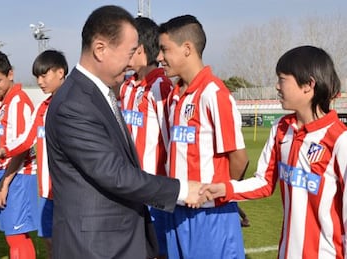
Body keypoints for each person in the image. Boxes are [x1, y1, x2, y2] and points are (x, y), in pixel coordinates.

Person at [45, 5, 207, 259]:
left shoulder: (96, 93)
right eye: (129, 52)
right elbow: (114, 173)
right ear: (100, 49)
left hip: (115, 239)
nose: (132, 62)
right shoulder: (74, 104)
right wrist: (182, 190)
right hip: (96, 247)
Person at [203, 45, 347, 259]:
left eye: (282, 79)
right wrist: (225, 189)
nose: (277, 86)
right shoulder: (281, 129)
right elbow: (265, 182)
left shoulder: (339, 140)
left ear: (308, 84)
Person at [157, 15, 249, 258]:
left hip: (209, 215)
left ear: (187, 48)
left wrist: (218, 197)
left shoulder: (213, 94)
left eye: (164, 49)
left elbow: (239, 157)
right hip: (177, 209)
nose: (159, 57)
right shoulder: (175, 96)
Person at [0, 49, 68, 259]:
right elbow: (26, 139)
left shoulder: (74, 103)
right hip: (46, 189)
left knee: (70, 245)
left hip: (69, 190)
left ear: (60, 72)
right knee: (50, 243)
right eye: (37, 76)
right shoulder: (42, 108)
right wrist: (1, 152)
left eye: (44, 75)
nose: (40, 81)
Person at [119, 16, 172, 259]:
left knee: (159, 250)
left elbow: (172, 143)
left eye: (127, 49)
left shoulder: (161, 86)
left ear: (140, 49)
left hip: (154, 187)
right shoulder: (127, 86)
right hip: (129, 185)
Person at [0, 50, 38, 259]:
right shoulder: (4, 101)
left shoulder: (18, 102)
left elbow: (21, 148)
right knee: (13, 235)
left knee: (17, 236)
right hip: (9, 174)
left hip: (19, 175)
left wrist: (4, 186)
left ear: (10, 74)